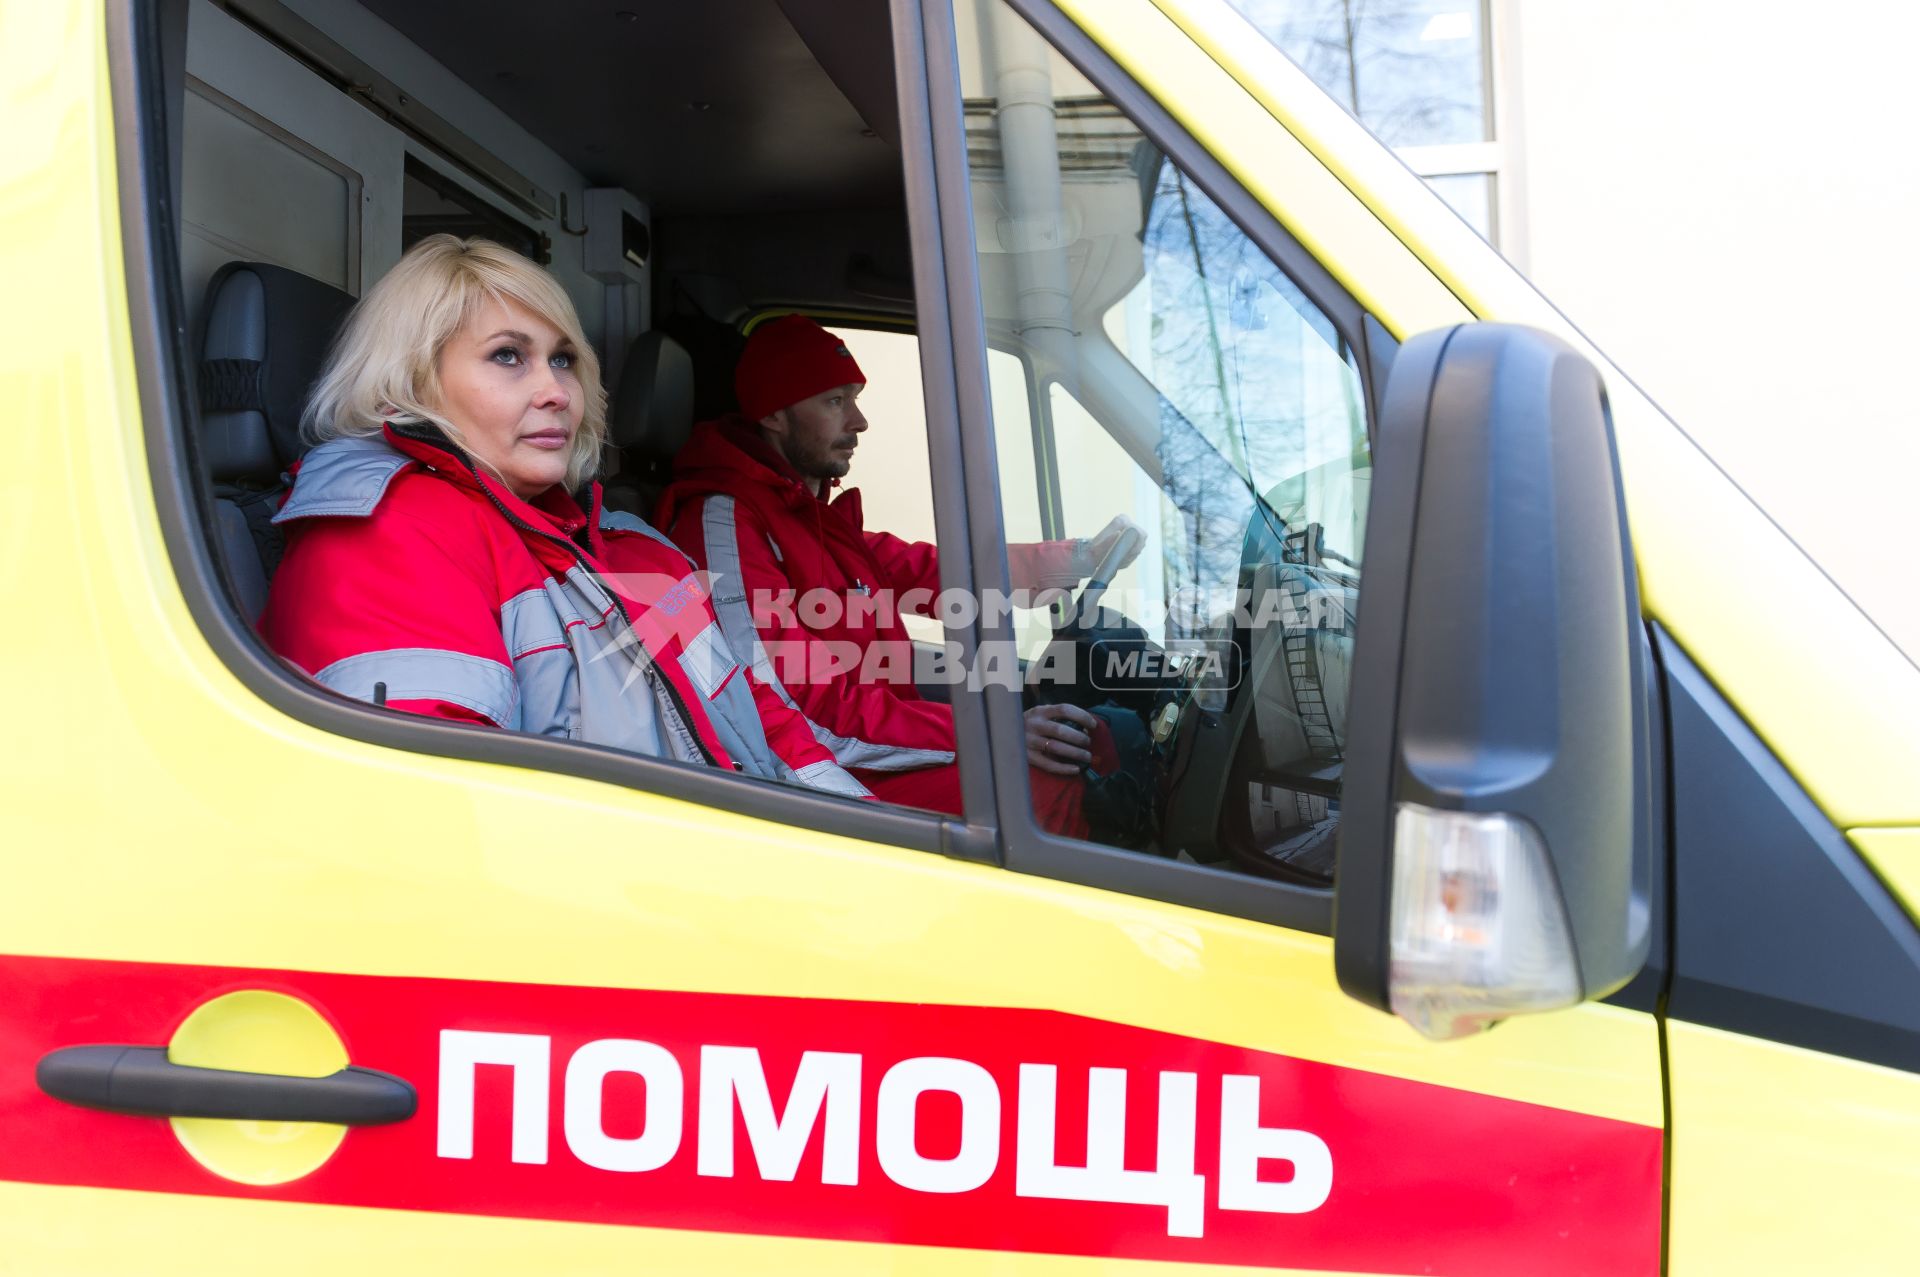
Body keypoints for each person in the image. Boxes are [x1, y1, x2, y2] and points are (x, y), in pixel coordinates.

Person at [260, 236, 868, 798]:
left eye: (564, 360)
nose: (555, 391)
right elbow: (436, 808)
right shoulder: (387, 534)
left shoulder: (631, 543)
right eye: (507, 357)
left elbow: (768, 721)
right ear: (411, 381)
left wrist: (857, 827)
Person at [656, 314, 1139, 826]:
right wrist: (992, 734)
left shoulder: (811, 518)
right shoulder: (728, 521)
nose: (859, 421)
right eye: (835, 401)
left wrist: (1075, 558)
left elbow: (938, 574)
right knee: (1045, 786)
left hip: (863, 750)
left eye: (854, 399)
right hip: (809, 774)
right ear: (775, 415)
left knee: (1091, 739)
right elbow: (790, 704)